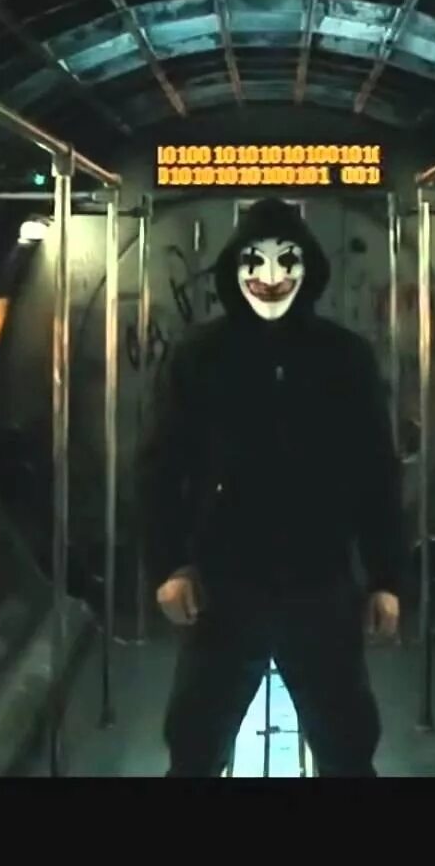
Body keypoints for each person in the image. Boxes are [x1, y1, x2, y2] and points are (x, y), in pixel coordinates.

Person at [139, 197, 403, 778]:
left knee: (347, 742)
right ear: (234, 271)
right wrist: (169, 565)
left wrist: (387, 576)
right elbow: (162, 468)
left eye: (288, 260)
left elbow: (376, 472)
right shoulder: (199, 357)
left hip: (321, 579)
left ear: (309, 269)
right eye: (253, 261)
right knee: (195, 741)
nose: (271, 276)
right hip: (223, 581)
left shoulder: (345, 358)